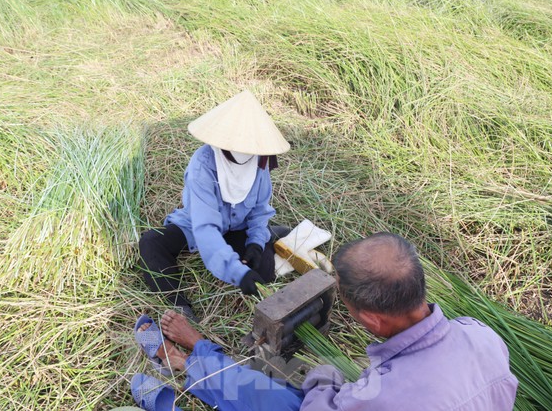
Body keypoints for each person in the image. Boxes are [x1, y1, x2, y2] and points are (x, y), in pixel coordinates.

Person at [131, 232, 518, 410]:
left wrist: (325, 376)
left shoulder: (383, 395)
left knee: (271, 400)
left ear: (371, 319)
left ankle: (192, 360)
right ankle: (192, 367)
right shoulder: (481, 335)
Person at [138, 90, 290, 319]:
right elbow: (206, 228)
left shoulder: (260, 160)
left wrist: (256, 243)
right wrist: (237, 272)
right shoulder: (203, 165)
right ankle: (179, 305)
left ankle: (266, 236)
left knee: (265, 270)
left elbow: (259, 210)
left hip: (238, 226)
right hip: (196, 224)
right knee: (151, 244)